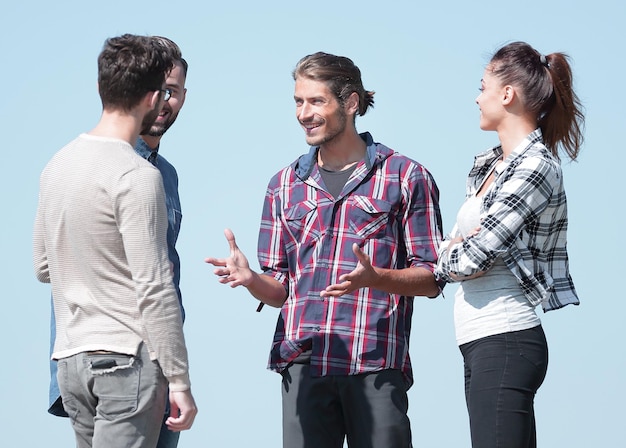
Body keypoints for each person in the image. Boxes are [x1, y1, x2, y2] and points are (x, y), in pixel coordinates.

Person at [206, 51, 443, 448]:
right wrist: (251, 281)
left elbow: (433, 278)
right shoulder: (283, 185)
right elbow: (281, 288)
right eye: (298, 101)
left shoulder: (406, 176)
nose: (304, 113)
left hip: (373, 359)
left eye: (316, 101)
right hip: (302, 363)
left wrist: (377, 278)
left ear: (350, 103)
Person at [34, 34, 197, 448]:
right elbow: (154, 286)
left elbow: (43, 265)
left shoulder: (57, 164)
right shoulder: (138, 176)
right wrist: (179, 380)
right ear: (151, 96)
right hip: (127, 358)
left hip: (73, 359)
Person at [435, 41, 584, 448]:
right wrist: (454, 252)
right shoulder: (488, 164)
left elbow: (476, 253)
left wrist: (448, 258)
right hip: (480, 342)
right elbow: (455, 247)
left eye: (482, 87)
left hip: (506, 338)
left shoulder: (536, 165)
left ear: (507, 94)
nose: (476, 97)